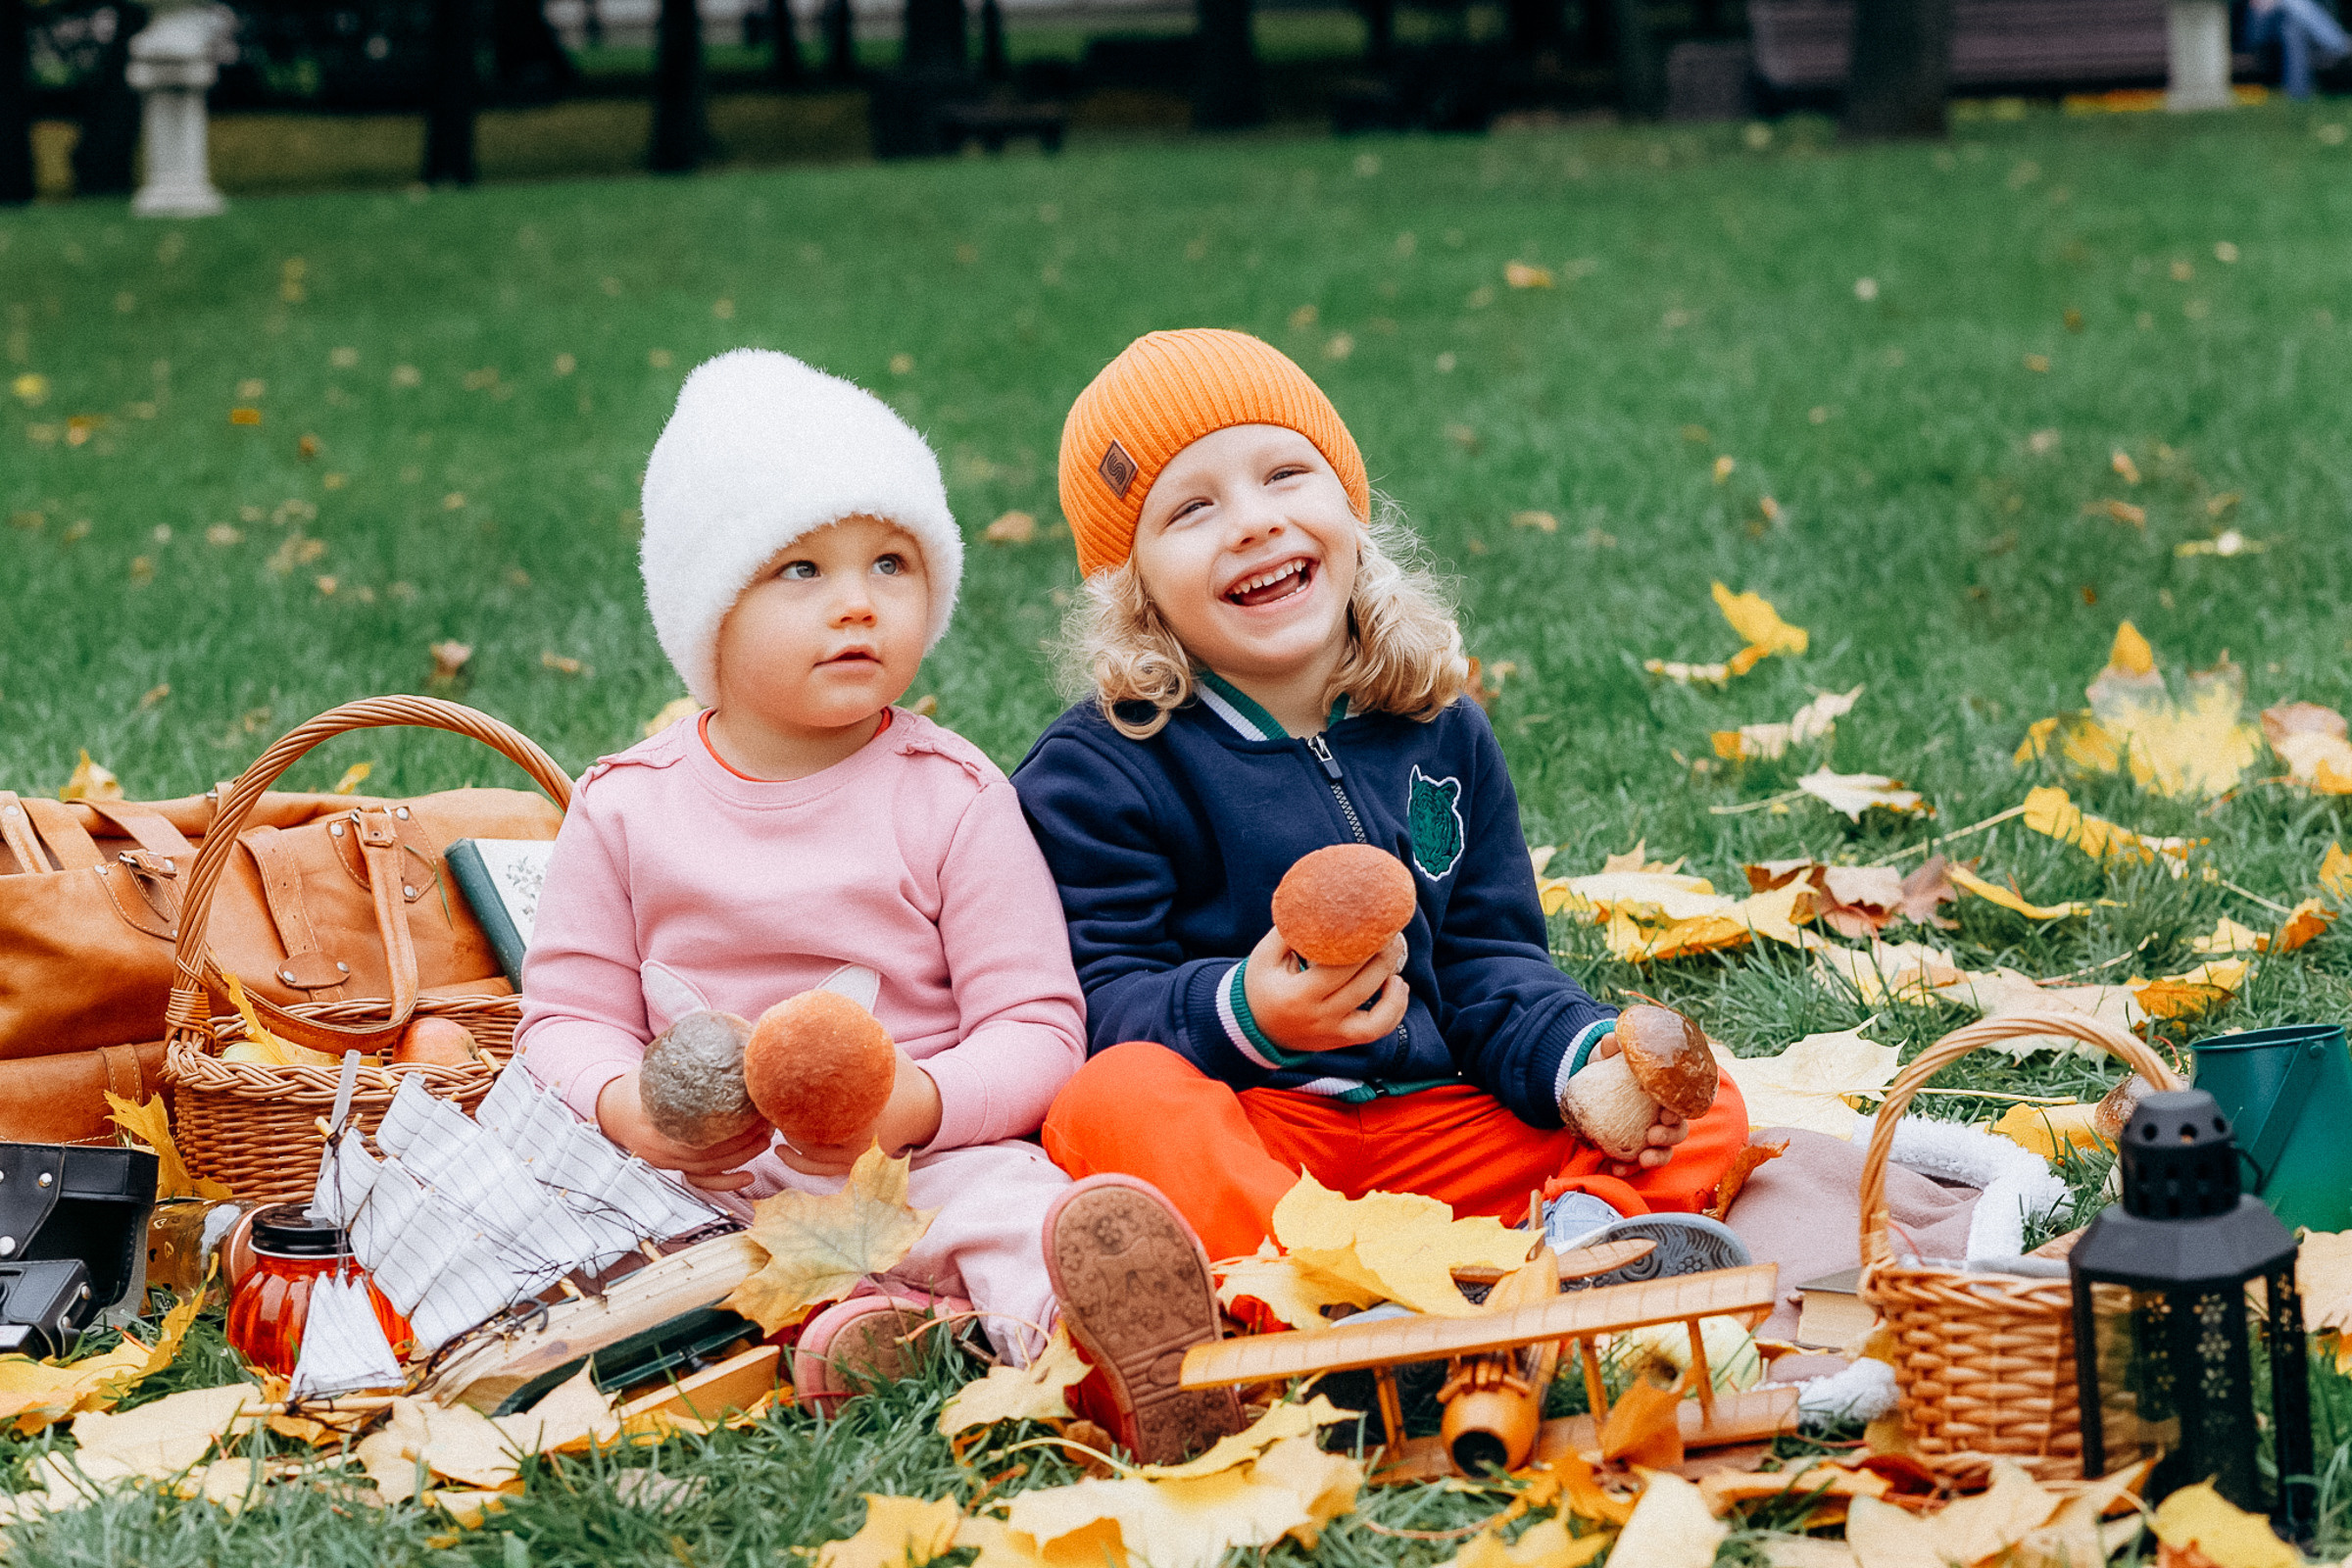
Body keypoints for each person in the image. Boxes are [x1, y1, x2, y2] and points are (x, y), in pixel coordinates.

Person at [1013, 329, 1753, 1460]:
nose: (1253, 519)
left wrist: (1578, 1063)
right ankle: (1325, 1311)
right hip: (1257, 1136)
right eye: (1191, 509)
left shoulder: (1438, 726)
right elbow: (1095, 995)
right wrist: (1249, 1014)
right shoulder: (1104, 765)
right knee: (1113, 1101)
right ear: (1137, 594)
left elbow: (1495, 962)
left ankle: (1583, 1249)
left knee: (1700, 1096)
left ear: (1352, 515)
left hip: (1425, 1129)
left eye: (1284, 473)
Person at [517, 349, 1086, 1395]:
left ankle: (1068, 1328)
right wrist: (624, 1105)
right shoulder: (627, 804)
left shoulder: (953, 797)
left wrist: (918, 1101)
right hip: (703, 1185)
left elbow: (1039, 1027)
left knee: (1023, 1214)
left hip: (917, 1166)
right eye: (802, 570)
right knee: (574, 1234)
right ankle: (885, 1328)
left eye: (890, 564)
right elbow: (561, 1015)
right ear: (709, 608)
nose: (858, 604)